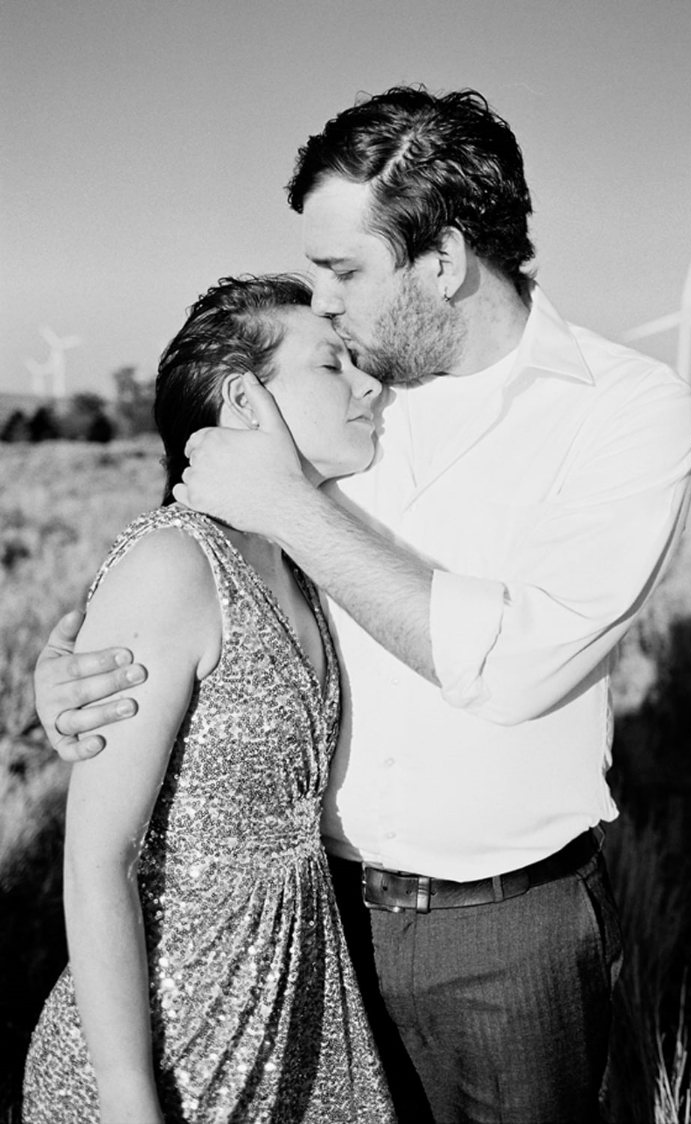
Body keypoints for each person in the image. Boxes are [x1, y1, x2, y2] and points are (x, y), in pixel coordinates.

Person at [34, 87, 691, 1123]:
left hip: (506, 932)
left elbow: (518, 664)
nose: (328, 303)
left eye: (344, 270)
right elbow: (194, 552)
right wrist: (73, 662)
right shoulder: (350, 399)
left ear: (441, 262)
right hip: (317, 925)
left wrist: (291, 506)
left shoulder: (624, 411)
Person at [23, 275, 394, 1123]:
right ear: (242, 400)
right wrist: (128, 1100)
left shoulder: (301, 549)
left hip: (293, 1006)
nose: (368, 384)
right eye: (333, 365)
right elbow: (95, 860)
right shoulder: (175, 565)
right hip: (172, 1041)